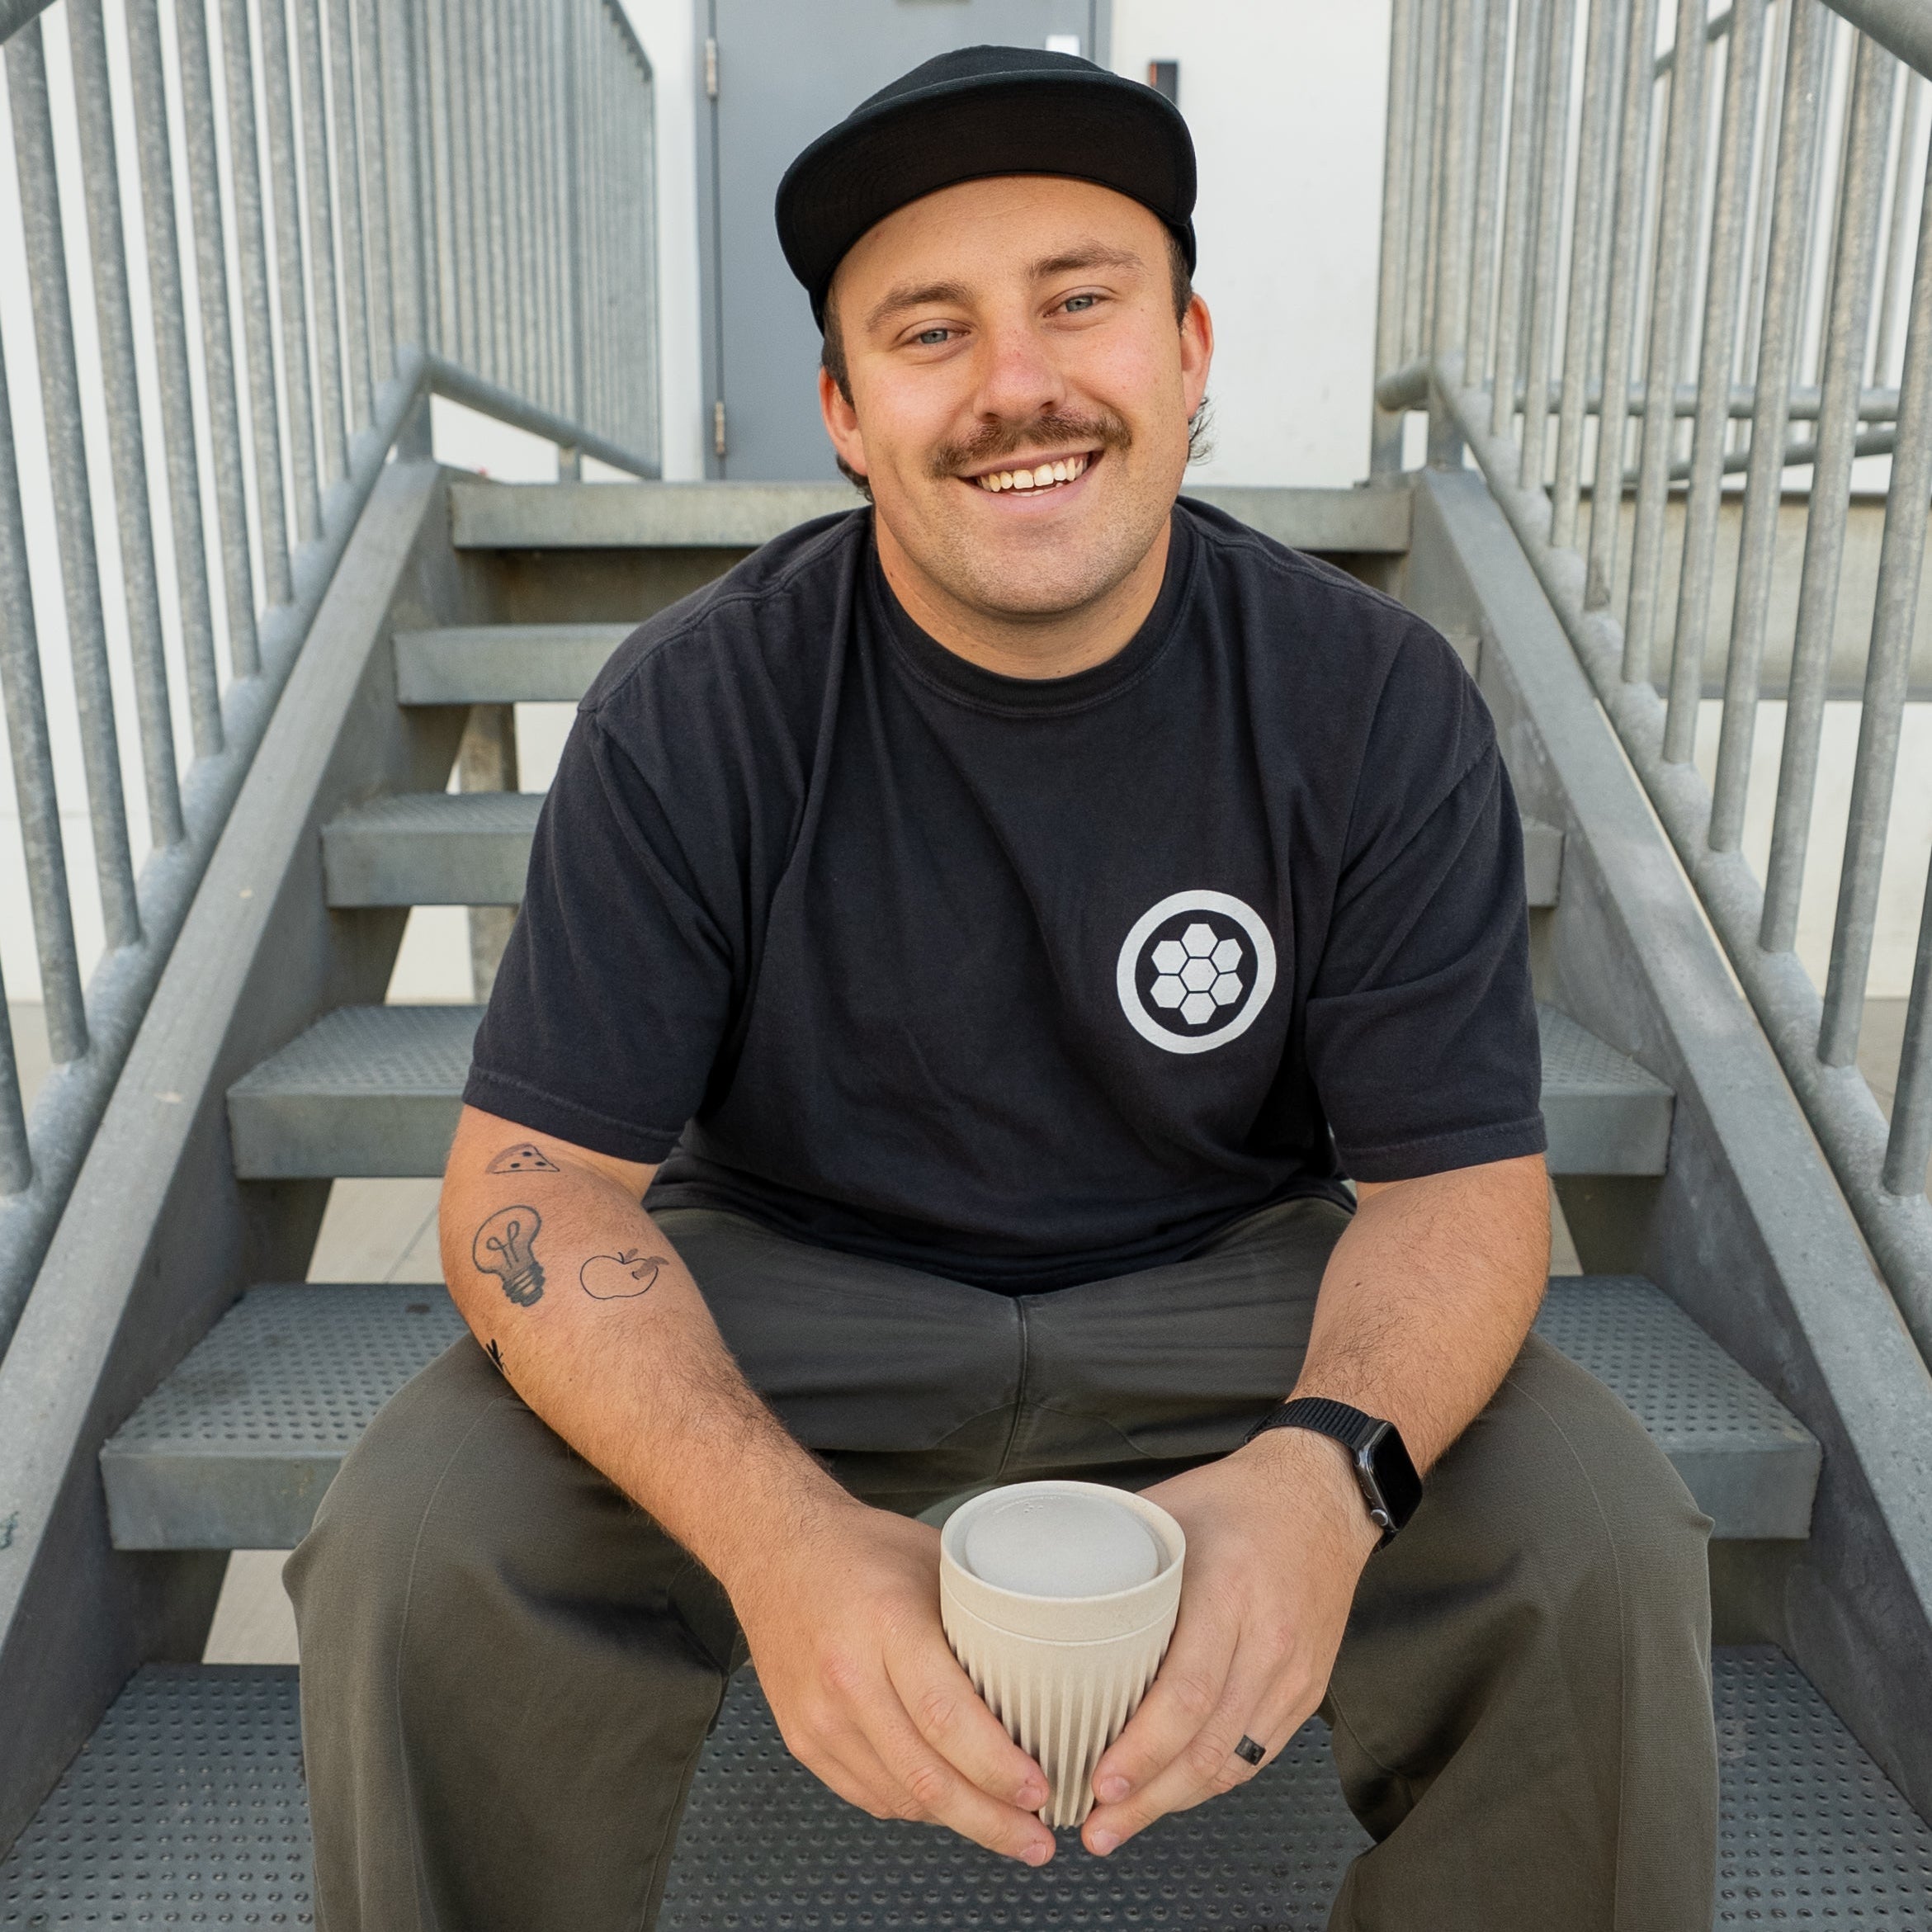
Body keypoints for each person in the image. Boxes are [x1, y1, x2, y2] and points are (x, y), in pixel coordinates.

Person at [288, 43, 1717, 1932]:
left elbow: (1457, 1191)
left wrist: (1321, 1477)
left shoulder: (1366, 698)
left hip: (1226, 1278)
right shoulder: (697, 708)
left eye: (1078, 302)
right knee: (416, 1536)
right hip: (795, 1283)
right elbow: (528, 1191)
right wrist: (782, 1541)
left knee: (1602, 1536)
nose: (1015, 386)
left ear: (1189, 349)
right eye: (929, 331)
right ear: (845, 410)